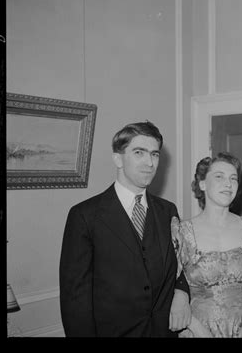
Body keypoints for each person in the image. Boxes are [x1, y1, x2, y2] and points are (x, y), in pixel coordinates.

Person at [59, 121, 189, 337]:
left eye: (155, 154)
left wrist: (181, 293)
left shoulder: (168, 211)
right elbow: (75, 299)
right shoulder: (84, 216)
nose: (150, 163)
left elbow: (182, 265)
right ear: (118, 158)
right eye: (139, 153)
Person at [170, 152, 242, 337]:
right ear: (202, 183)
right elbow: (171, 290)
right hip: (197, 330)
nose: (228, 184)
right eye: (219, 177)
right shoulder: (182, 232)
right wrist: (196, 329)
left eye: (233, 178)